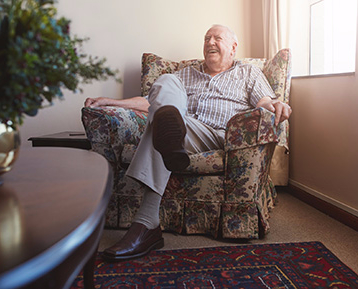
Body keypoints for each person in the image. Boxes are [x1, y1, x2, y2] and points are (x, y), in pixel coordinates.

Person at [84, 24, 292, 262]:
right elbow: (149, 101)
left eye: (217, 38)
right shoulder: (185, 73)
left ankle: (146, 224)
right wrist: (111, 102)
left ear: (233, 47)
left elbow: (264, 101)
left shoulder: (248, 73)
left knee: (159, 125)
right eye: (207, 38)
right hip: (185, 129)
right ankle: (168, 145)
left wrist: (276, 104)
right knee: (165, 91)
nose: (210, 42)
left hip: (220, 136)